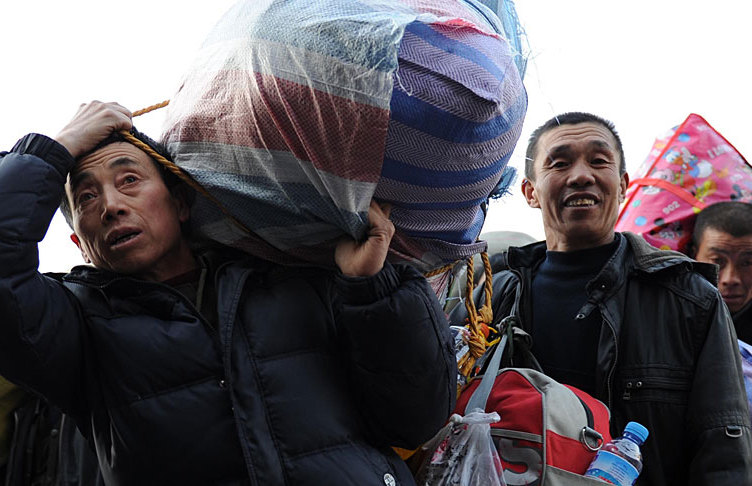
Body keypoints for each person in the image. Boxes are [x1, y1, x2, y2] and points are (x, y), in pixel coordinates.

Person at [0, 101, 456, 486]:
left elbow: (418, 417)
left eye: (130, 181)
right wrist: (50, 150)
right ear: (79, 241)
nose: (112, 206)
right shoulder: (75, 330)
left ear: (180, 203)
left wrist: (370, 289)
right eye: (85, 199)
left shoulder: (292, 275)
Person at [452, 112, 752, 485]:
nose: (581, 175)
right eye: (560, 163)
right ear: (530, 191)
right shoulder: (489, 292)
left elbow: (723, 448)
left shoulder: (691, 300)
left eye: (599, 161)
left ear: (623, 184)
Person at [690, 201, 752, 343]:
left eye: (747, 263)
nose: (730, 279)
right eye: (717, 261)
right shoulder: (668, 315)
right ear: (694, 257)